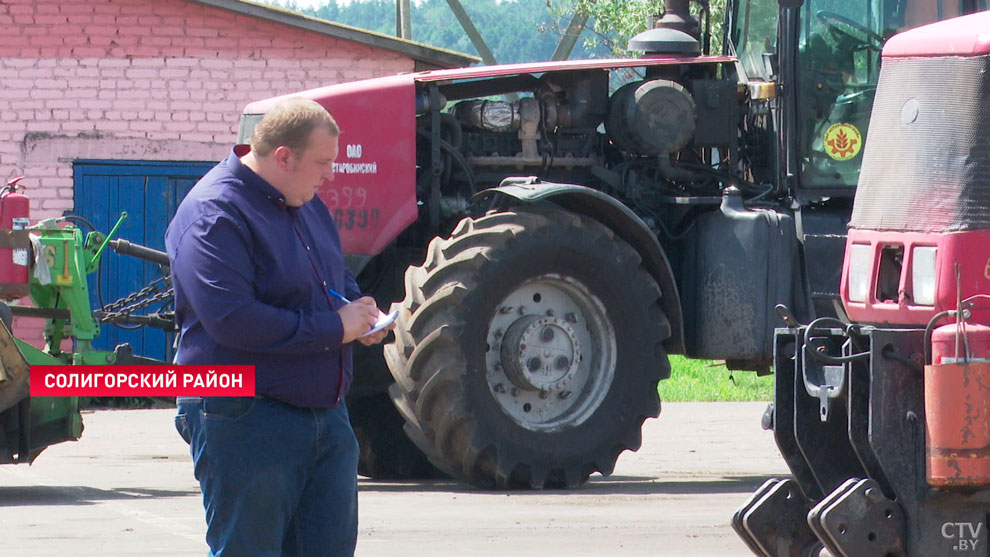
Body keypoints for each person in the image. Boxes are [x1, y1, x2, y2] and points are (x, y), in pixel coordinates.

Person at [167, 97, 391, 557]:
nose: (330, 174)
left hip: (324, 416)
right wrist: (335, 329)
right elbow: (233, 320)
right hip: (245, 416)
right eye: (322, 162)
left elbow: (334, 276)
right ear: (283, 156)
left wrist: (359, 312)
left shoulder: (306, 203)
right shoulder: (215, 214)